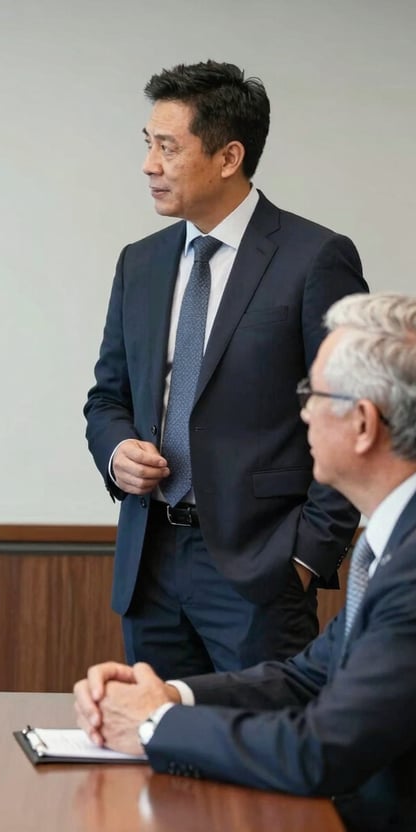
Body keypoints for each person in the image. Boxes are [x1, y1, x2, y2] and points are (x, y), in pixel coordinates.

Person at [75, 292, 416, 832]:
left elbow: (318, 750)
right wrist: (170, 694)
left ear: (363, 424)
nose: (301, 411)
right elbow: (306, 679)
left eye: (313, 394)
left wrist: (153, 724)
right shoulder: (396, 541)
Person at [84, 60, 368, 678]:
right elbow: (107, 398)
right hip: (149, 560)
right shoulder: (141, 263)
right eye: (147, 145)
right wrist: (117, 452)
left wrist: (305, 558)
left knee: (265, 763)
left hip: (260, 574)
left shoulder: (315, 258)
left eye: (167, 147)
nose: (148, 165)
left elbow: (357, 413)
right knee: (158, 754)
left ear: (228, 156)